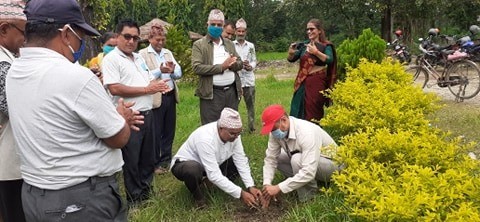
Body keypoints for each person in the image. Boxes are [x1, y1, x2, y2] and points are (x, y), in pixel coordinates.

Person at [6, 0, 144, 221]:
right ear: (66, 33)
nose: (81, 43)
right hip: (81, 200)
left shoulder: (14, 72)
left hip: (34, 194)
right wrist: (122, 118)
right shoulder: (75, 76)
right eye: (80, 37)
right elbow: (117, 138)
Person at [102, 19, 170, 205]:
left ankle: (146, 193)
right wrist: (147, 90)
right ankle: (134, 199)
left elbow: (146, 80)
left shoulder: (138, 57)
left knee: (148, 157)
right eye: (127, 37)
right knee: (132, 159)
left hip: (148, 113)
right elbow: (114, 88)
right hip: (130, 117)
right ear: (117, 37)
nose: (131, 41)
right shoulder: (112, 59)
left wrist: (156, 85)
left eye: (135, 38)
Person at [170, 108, 263, 209]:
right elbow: (213, 174)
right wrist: (241, 193)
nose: (236, 137)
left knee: (238, 163)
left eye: (238, 133)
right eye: (232, 134)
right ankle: (199, 199)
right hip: (185, 165)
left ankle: (207, 185)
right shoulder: (205, 138)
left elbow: (240, 159)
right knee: (192, 169)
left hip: (211, 165)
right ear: (221, 128)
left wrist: (250, 186)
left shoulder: (234, 134)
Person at [259, 104, 343, 206]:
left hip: (334, 167)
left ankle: (309, 199)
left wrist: (279, 188)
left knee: (297, 159)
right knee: (279, 156)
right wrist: (267, 186)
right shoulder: (276, 133)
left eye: (273, 129)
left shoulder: (306, 132)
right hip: (312, 163)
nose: (273, 133)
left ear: (284, 120)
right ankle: (301, 183)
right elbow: (270, 159)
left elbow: (309, 171)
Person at [139, 24, 182, 174]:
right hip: (155, 98)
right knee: (155, 132)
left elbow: (179, 72)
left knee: (169, 130)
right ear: (150, 39)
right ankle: (154, 163)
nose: (161, 43)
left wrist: (172, 71)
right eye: (157, 39)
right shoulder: (142, 54)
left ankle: (166, 160)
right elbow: (143, 75)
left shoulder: (167, 53)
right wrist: (159, 71)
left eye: (163, 39)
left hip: (169, 96)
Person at [192, 9, 243, 125]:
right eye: (213, 24)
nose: (216, 27)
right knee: (211, 127)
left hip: (231, 92)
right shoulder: (199, 45)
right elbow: (197, 67)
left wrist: (233, 65)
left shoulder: (229, 43)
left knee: (231, 125)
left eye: (219, 25)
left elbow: (240, 63)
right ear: (207, 24)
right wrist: (221, 67)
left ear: (223, 26)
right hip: (212, 94)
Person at [0, 1, 26, 221]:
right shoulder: (2, 64)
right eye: (23, 31)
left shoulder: (10, 58)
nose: (25, 38)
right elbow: (16, 109)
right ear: (4, 29)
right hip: (11, 164)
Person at [288, 18, 337, 123]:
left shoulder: (325, 46)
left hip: (317, 81)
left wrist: (316, 52)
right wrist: (291, 53)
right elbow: (292, 59)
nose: (309, 31)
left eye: (312, 29)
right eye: (307, 29)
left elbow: (330, 59)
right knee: (297, 107)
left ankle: (314, 134)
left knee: (314, 109)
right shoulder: (305, 45)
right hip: (302, 81)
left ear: (319, 31)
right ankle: (297, 131)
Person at [233, 18, 257, 133]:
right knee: (234, 106)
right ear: (235, 32)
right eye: (239, 31)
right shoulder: (231, 45)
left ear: (246, 32)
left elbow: (254, 60)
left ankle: (252, 127)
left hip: (249, 79)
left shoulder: (250, 46)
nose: (241, 33)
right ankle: (235, 128)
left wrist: (250, 66)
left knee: (250, 106)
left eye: (243, 31)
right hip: (236, 80)